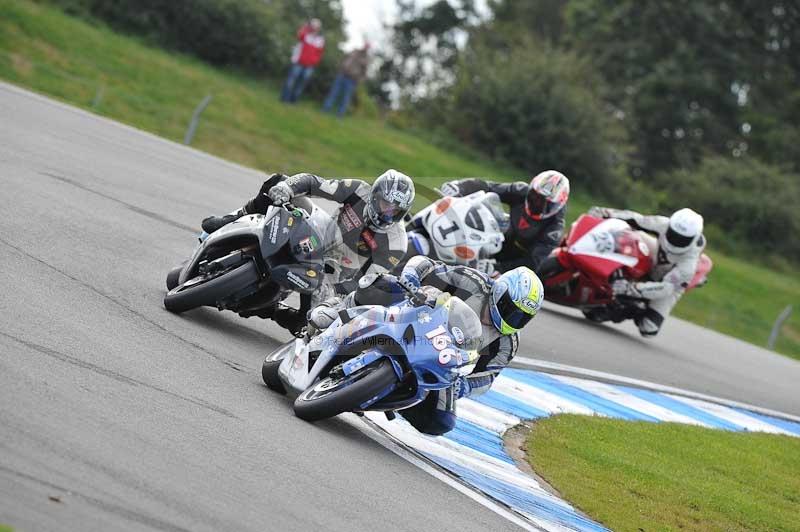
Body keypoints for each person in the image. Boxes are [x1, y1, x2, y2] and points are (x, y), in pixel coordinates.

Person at [307, 256, 544, 435]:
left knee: (441, 421)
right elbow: (426, 264)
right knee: (384, 284)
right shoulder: (473, 281)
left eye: (521, 317)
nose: (512, 319)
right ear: (499, 291)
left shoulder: (508, 341)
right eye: (511, 309)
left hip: (439, 362)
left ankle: (382, 394)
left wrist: (463, 385)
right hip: (415, 318)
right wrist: (411, 280)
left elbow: (487, 378)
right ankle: (335, 311)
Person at [201, 169, 415, 334]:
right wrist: (287, 189)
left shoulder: (396, 244)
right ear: (374, 194)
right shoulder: (359, 190)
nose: (387, 213)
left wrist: (337, 292)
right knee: (278, 181)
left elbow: (366, 283)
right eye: (385, 203)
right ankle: (233, 218)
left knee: (312, 322)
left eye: (395, 210)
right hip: (322, 230)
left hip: (338, 272)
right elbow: (314, 182)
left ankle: (277, 312)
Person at [588, 206, 706, 337]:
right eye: (673, 234)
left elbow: (665, 288)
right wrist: (606, 213)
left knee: (648, 329)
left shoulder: (689, 264)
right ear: (671, 226)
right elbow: (637, 219)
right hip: (656, 254)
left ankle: (634, 307)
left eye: (682, 239)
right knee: (632, 237)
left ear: (693, 238)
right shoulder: (664, 224)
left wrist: (630, 288)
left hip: (670, 282)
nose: (676, 240)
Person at [438, 171, 570, 275]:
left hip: (512, 267)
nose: (536, 203)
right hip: (498, 240)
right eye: (534, 196)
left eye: (543, 203)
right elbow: (487, 187)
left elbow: (532, 263)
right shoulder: (521, 190)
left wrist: (498, 268)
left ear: (557, 205)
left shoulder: (554, 229)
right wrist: (459, 186)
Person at [281, 19, 325, 103]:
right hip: (298, 62)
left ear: (319, 28)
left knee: (301, 84)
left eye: (316, 27)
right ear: (310, 26)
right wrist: (305, 27)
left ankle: (293, 101)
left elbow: (319, 53)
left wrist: (314, 62)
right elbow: (299, 35)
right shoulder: (306, 34)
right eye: (313, 26)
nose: (314, 28)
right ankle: (284, 99)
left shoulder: (320, 40)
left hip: (309, 66)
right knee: (291, 81)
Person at [323, 42, 370, 116]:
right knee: (333, 93)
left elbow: (364, 73)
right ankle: (325, 109)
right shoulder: (355, 51)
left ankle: (340, 114)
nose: (365, 47)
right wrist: (339, 67)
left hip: (351, 80)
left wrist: (358, 81)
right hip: (342, 74)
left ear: (368, 49)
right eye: (365, 46)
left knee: (345, 98)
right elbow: (344, 58)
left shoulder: (366, 59)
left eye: (367, 47)